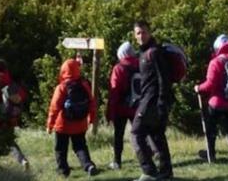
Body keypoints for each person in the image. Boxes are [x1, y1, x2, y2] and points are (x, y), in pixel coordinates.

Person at [131, 20, 174, 181]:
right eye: (138, 33)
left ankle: (149, 171)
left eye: (144, 32)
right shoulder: (144, 53)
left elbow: (164, 79)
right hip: (150, 99)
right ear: (135, 36)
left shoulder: (154, 52)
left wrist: (162, 102)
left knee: (136, 133)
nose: (141, 36)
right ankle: (166, 172)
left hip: (153, 100)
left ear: (149, 32)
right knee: (156, 134)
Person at [194, 34, 228, 163]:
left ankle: (211, 155)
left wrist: (198, 88)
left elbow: (210, 84)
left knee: (211, 129)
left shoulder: (215, 62)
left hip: (218, 102)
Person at [46, 58, 99, 177]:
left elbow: (54, 108)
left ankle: (63, 171)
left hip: (63, 124)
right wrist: (91, 118)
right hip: (80, 123)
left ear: (63, 71)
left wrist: (50, 125)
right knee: (80, 146)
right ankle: (88, 165)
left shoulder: (61, 87)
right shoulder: (84, 85)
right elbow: (92, 103)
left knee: (60, 148)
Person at [0, 60, 29, 169]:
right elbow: (22, 96)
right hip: (10, 117)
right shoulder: (9, 80)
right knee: (10, 142)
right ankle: (23, 160)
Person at [106, 42, 140, 170]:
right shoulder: (140, 64)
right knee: (139, 134)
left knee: (118, 135)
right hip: (137, 106)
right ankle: (146, 159)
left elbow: (114, 92)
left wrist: (110, 111)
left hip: (121, 107)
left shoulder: (119, 68)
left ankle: (117, 161)